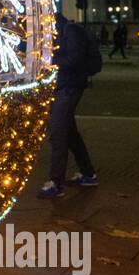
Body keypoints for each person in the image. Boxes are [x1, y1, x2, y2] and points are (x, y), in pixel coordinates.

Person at [39, 12, 101, 198]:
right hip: (63, 86)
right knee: (69, 131)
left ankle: (55, 183)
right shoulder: (57, 33)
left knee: (58, 132)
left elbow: (75, 59)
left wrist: (50, 62)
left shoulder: (70, 31)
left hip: (70, 86)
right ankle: (88, 174)